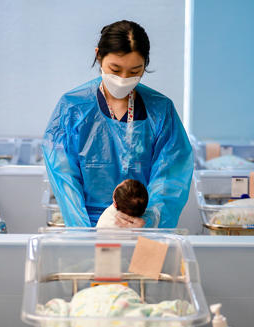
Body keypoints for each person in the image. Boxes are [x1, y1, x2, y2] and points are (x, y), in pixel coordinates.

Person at [42, 20, 193, 228]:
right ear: (98, 55)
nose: (123, 79)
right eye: (115, 69)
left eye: (134, 72)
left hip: (143, 228)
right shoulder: (73, 109)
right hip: (88, 227)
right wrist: (86, 232)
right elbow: (64, 179)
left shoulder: (160, 111)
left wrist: (149, 220)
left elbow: (171, 179)